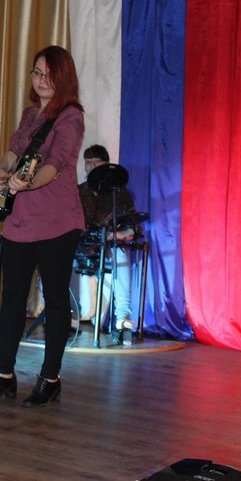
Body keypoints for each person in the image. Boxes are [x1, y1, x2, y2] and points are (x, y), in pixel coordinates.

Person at [0, 45, 86, 408]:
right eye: (36, 73)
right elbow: (14, 152)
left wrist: (27, 183)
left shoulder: (71, 117)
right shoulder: (29, 114)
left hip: (57, 221)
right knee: (11, 299)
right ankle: (3, 375)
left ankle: (49, 379)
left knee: (55, 299)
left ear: (63, 78)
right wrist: (1, 171)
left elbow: (55, 164)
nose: (40, 81)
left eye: (48, 75)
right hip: (21, 219)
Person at [78, 144, 139, 345]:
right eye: (88, 162)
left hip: (109, 246)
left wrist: (117, 235)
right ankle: (70, 315)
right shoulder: (78, 192)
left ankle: (123, 318)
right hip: (82, 247)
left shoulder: (119, 193)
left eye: (97, 163)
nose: (92, 166)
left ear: (106, 164)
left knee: (119, 253)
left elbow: (134, 228)